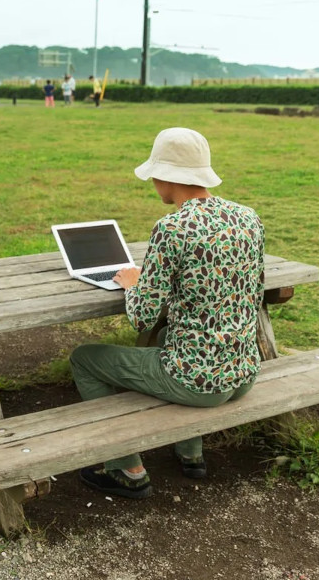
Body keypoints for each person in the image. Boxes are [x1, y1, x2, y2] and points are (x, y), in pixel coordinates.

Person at [69, 127, 265, 500]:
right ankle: (191, 455)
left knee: (84, 359)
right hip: (243, 372)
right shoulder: (248, 218)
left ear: (165, 176)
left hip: (198, 382)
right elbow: (246, 289)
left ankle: (126, 469)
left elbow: (141, 317)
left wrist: (133, 284)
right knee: (163, 339)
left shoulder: (172, 228)